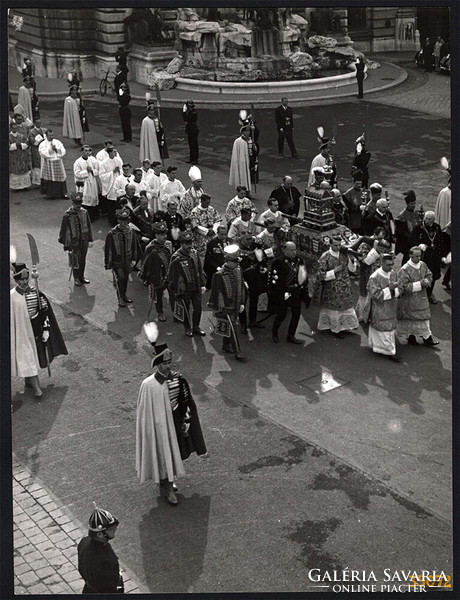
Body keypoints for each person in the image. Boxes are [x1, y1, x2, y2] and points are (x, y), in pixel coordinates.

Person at [136, 333, 207, 505]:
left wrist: (185, 419)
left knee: (174, 451)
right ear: (157, 365)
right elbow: (145, 412)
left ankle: (167, 480)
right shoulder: (148, 385)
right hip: (157, 425)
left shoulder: (178, 380)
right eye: (164, 364)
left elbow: (185, 401)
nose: (168, 367)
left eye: (169, 363)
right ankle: (166, 485)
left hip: (174, 421)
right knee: (162, 452)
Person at [10, 260, 68, 398]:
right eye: (21, 279)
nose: (24, 282)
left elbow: (44, 312)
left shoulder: (36, 293)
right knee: (27, 355)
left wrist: (46, 329)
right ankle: (36, 388)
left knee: (32, 355)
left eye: (26, 278)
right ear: (17, 280)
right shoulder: (11, 296)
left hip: (35, 329)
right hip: (20, 331)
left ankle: (28, 380)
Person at [313, 235, 359, 338]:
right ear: (330, 244)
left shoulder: (343, 255)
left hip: (345, 287)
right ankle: (335, 329)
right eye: (335, 245)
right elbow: (320, 275)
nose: (338, 248)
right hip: (332, 289)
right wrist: (334, 271)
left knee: (345, 308)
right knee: (334, 311)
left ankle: (345, 326)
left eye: (339, 245)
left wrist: (351, 259)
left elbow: (352, 270)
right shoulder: (325, 257)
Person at [208, 245, 247, 360]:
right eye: (235, 261)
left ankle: (225, 345)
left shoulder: (238, 270)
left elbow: (241, 287)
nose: (237, 264)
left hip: (236, 306)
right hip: (226, 308)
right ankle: (237, 351)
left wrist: (242, 302)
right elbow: (216, 294)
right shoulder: (219, 275)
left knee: (230, 327)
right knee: (233, 328)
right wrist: (220, 309)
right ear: (228, 262)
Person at [396, 246, 439, 347]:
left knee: (424, 319)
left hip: (422, 298)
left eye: (420, 255)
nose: (419, 258)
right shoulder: (404, 269)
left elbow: (429, 274)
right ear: (410, 255)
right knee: (410, 320)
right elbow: (403, 286)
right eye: (416, 256)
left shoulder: (423, 264)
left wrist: (428, 281)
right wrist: (420, 284)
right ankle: (411, 337)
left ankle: (427, 339)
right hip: (410, 300)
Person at [268, 241, 309, 344]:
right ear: (284, 250)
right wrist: (277, 295)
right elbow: (274, 281)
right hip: (283, 291)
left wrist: (304, 291)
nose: (294, 252)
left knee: (296, 314)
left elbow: (303, 276)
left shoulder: (299, 261)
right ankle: (275, 333)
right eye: (291, 250)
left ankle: (291, 336)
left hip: (295, 291)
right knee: (281, 314)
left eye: (295, 250)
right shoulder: (279, 262)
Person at [77, 504, 123, 593]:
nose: (115, 530)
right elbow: (108, 587)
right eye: (111, 529)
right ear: (100, 534)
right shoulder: (104, 559)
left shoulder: (84, 541)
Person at [168, 230, 206, 337]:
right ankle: (187, 328)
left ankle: (196, 327)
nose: (189, 246)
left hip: (196, 287)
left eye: (190, 243)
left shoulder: (195, 253)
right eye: (186, 243)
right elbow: (173, 277)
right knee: (185, 309)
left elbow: (200, 270)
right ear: (181, 244)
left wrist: (202, 284)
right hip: (184, 289)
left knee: (198, 308)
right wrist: (177, 292)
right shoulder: (176, 258)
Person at [367, 253, 401, 362]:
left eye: (392, 264)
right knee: (384, 330)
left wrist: (396, 290)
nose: (391, 267)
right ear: (381, 263)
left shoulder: (394, 274)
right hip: (379, 308)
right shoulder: (374, 277)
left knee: (389, 329)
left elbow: (400, 288)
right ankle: (389, 351)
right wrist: (389, 289)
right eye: (388, 265)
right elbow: (375, 295)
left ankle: (385, 348)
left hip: (391, 307)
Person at [104, 208, 140, 307]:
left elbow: (134, 246)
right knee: (120, 279)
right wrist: (109, 263)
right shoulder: (112, 233)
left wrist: (134, 259)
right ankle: (120, 299)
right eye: (122, 220)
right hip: (117, 262)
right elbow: (108, 249)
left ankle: (124, 296)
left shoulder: (131, 231)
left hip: (128, 260)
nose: (125, 222)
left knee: (125, 280)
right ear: (118, 220)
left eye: (126, 220)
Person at [141, 221, 174, 321]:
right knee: (158, 296)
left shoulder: (168, 244)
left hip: (168, 273)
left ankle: (176, 313)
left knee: (173, 294)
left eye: (165, 234)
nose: (164, 237)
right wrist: (146, 277)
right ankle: (160, 312)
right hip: (157, 276)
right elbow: (145, 263)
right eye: (161, 234)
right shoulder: (150, 248)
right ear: (156, 235)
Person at [407, 211, 443, 304]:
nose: (426, 220)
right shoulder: (418, 228)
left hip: (434, 257)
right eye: (426, 218)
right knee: (420, 276)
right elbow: (411, 241)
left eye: (429, 219)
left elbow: (440, 242)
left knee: (432, 276)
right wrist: (419, 245)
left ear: (433, 220)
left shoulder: (437, 228)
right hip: (422, 257)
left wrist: (442, 255)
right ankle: (418, 295)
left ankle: (429, 294)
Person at [58, 192, 93, 286]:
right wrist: (66, 244)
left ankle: (82, 276)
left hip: (84, 240)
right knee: (75, 260)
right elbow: (64, 230)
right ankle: (76, 278)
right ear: (72, 203)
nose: (78, 205)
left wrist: (90, 239)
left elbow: (89, 226)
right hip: (74, 242)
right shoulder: (67, 215)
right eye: (76, 203)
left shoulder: (84, 212)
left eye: (80, 203)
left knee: (83, 259)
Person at [237, 231, 267, 331]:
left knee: (254, 299)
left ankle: (252, 321)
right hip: (242, 277)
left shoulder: (256, 246)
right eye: (247, 239)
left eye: (251, 238)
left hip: (254, 277)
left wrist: (262, 266)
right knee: (242, 301)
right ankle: (243, 324)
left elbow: (262, 259)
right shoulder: (236, 246)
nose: (250, 241)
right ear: (242, 239)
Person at [190, 194, 222, 261]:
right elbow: (195, 226)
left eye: (209, 203)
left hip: (212, 235)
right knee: (202, 258)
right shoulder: (194, 212)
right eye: (206, 203)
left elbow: (218, 220)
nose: (208, 204)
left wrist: (214, 230)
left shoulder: (212, 209)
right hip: (201, 239)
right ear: (201, 201)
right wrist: (207, 231)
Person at [38, 129, 68, 199]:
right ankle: (51, 194)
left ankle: (62, 193)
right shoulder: (43, 144)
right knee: (50, 179)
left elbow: (63, 150)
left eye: (52, 135)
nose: (51, 137)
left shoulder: (57, 142)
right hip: (49, 163)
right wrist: (51, 150)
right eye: (50, 135)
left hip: (58, 162)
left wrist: (56, 149)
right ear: (46, 136)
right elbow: (42, 152)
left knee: (61, 178)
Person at [73, 145, 100, 221]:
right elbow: (77, 174)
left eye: (88, 150)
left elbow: (98, 170)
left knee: (93, 198)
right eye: (85, 150)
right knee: (85, 199)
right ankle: (86, 217)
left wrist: (92, 171)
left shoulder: (93, 160)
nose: (87, 152)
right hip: (84, 183)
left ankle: (93, 215)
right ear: (82, 151)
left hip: (92, 181)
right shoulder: (78, 162)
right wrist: (86, 171)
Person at [229, 125, 258, 192]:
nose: (248, 132)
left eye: (249, 131)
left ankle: (248, 191)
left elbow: (254, 151)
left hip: (249, 161)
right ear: (243, 132)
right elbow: (236, 155)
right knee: (242, 177)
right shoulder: (238, 141)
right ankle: (241, 191)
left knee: (249, 176)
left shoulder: (250, 140)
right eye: (246, 131)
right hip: (241, 163)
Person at [394, 189, 421, 263]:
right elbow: (402, 234)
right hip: (407, 244)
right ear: (407, 204)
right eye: (411, 203)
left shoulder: (417, 214)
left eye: (414, 203)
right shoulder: (402, 216)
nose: (413, 205)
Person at [99, 147, 123, 225]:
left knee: (119, 204)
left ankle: (119, 220)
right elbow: (102, 176)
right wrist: (112, 172)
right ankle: (112, 220)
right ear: (109, 153)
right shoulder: (103, 163)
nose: (115, 153)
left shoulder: (118, 161)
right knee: (111, 205)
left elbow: (123, 170)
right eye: (113, 152)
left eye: (116, 151)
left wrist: (120, 171)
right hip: (110, 185)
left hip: (118, 183)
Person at [203, 224, 228, 289]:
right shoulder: (211, 243)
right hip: (216, 269)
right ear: (217, 233)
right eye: (221, 234)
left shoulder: (230, 241)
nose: (224, 236)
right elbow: (209, 259)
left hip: (229, 267)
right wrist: (218, 268)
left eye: (225, 234)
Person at [9, 121, 32, 191]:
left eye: (16, 128)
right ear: (10, 128)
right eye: (13, 128)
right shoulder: (8, 136)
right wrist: (15, 145)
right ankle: (16, 187)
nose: (15, 129)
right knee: (15, 172)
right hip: (14, 157)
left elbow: (27, 143)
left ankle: (25, 185)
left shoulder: (21, 136)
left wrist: (22, 145)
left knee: (24, 171)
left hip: (22, 156)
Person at [342, 169, 364, 234]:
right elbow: (349, 208)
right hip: (353, 220)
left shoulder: (365, 192)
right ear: (353, 183)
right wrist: (359, 208)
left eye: (360, 184)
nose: (359, 185)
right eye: (357, 184)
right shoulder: (347, 194)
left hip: (363, 219)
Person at [29, 117, 46, 187]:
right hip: (35, 150)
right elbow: (33, 142)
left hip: (44, 149)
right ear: (34, 123)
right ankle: (38, 182)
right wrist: (40, 140)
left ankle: (45, 181)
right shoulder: (31, 131)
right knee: (37, 165)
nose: (39, 124)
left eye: (40, 123)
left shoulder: (44, 130)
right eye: (37, 123)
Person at [182, 99, 199, 164]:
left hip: (193, 130)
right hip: (190, 130)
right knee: (191, 145)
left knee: (194, 145)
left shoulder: (193, 113)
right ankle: (192, 159)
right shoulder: (191, 112)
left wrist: (183, 112)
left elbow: (187, 119)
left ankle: (195, 160)